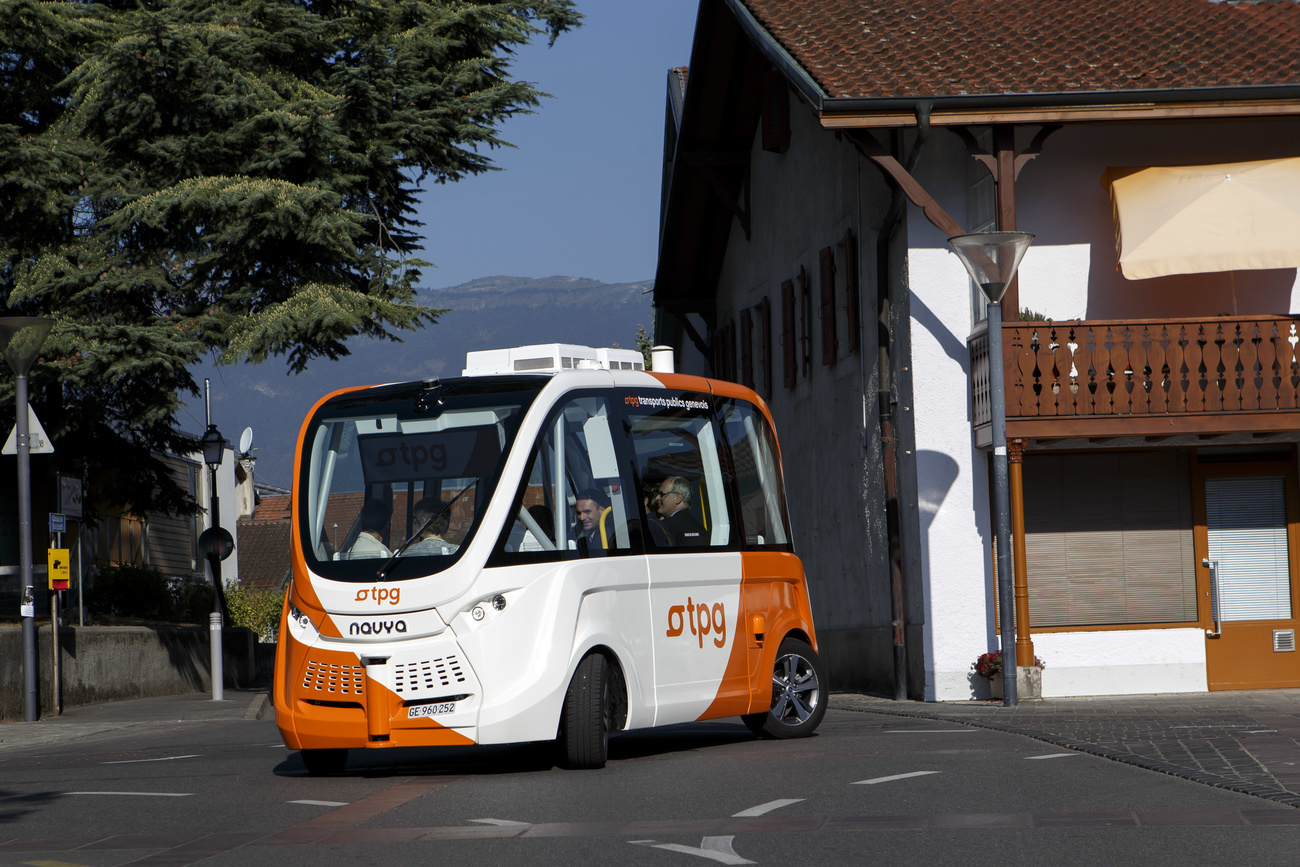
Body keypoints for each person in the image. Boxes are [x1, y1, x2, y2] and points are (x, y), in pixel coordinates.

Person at [654, 476, 705, 545]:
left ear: (678, 498)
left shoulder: (665, 526)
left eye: (662, 494)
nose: (656, 498)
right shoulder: (701, 528)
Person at [574, 488, 610, 555]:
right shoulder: (579, 532)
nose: (582, 518)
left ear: (602, 510)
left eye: (587, 511)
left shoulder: (607, 536)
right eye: (579, 513)